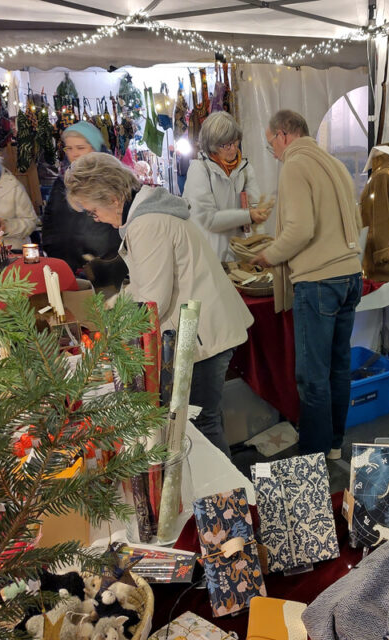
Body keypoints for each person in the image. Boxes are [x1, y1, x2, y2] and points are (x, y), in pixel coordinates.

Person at [64, 152, 253, 457]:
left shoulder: (148, 223)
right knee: (205, 420)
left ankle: (222, 487)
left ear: (113, 198)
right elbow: (146, 283)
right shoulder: (147, 215)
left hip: (201, 336)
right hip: (200, 328)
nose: (95, 218)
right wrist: (112, 305)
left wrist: (113, 328)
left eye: (93, 211)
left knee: (201, 427)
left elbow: (152, 302)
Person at [251, 110, 362, 459]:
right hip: (349, 276)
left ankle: (313, 456)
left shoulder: (296, 165)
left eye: (271, 143)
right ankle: (333, 446)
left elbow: (300, 230)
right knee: (338, 368)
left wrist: (268, 255)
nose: (273, 152)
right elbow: (354, 220)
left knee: (313, 376)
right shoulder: (335, 164)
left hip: (319, 281)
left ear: (284, 135)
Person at [41, 122, 125, 283]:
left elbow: (120, 224)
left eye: (80, 148)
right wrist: (54, 253)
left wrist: (106, 259)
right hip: (68, 268)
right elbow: (50, 222)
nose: (74, 154)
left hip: (106, 268)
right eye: (69, 148)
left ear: (95, 148)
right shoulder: (62, 182)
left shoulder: (112, 179)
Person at [182, 111, 270, 261]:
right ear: (212, 146)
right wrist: (248, 215)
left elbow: (254, 207)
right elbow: (208, 219)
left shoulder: (245, 169)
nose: (233, 149)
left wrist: (258, 219)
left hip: (238, 254)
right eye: (226, 145)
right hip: (208, 257)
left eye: (235, 142)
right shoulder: (199, 169)